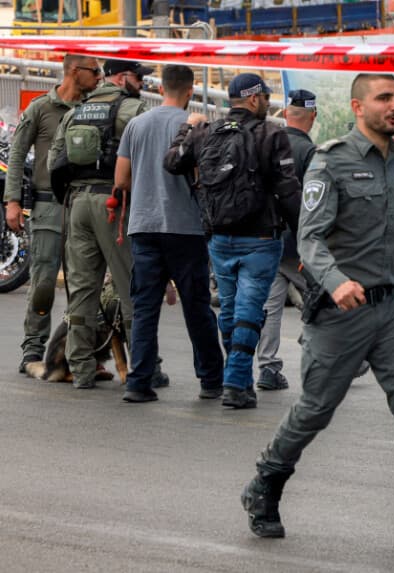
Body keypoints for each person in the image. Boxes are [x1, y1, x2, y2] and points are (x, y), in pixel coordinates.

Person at [240, 73, 394, 545]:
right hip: (342, 311)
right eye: (383, 98)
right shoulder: (331, 162)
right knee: (315, 409)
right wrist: (336, 282)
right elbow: (309, 239)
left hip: (392, 308)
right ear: (357, 106)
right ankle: (264, 485)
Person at [164, 72, 301, 409]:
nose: (268, 102)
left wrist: (188, 128)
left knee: (230, 309)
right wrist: (307, 236)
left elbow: (172, 162)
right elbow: (288, 192)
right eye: (266, 97)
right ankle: (237, 383)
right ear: (254, 99)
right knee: (250, 311)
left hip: (219, 238)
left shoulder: (207, 132)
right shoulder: (271, 134)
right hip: (260, 238)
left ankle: (234, 375)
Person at [114, 64, 224, 403]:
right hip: (185, 227)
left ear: (161, 88)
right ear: (190, 91)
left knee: (145, 306)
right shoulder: (197, 126)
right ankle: (211, 379)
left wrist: (147, 188)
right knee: (197, 306)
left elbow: (120, 180)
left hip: (144, 226)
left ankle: (138, 382)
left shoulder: (136, 123)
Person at [48, 59, 157, 390]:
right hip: (115, 206)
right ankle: (140, 370)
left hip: (77, 204)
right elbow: (150, 162)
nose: (142, 83)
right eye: (139, 78)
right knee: (129, 288)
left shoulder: (74, 112)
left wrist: (71, 197)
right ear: (123, 79)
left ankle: (81, 369)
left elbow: (55, 162)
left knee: (81, 290)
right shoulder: (133, 109)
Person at [4, 54, 101, 374]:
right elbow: (17, 154)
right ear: (75, 71)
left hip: (83, 205)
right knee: (44, 282)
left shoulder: (95, 107)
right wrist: (12, 201)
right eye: (94, 71)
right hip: (47, 207)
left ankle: (79, 354)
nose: (99, 77)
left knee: (84, 285)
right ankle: (32, 349)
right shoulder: (41, 108)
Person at [254, 88, 318, 391]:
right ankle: (332, 358)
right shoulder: (310, 152)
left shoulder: (266, 142)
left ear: (286, 114)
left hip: (267, 237)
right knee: (326, 295)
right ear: (313, 116)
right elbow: (315, 203)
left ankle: (267, 367)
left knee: (271, 306)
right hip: (297, 243)